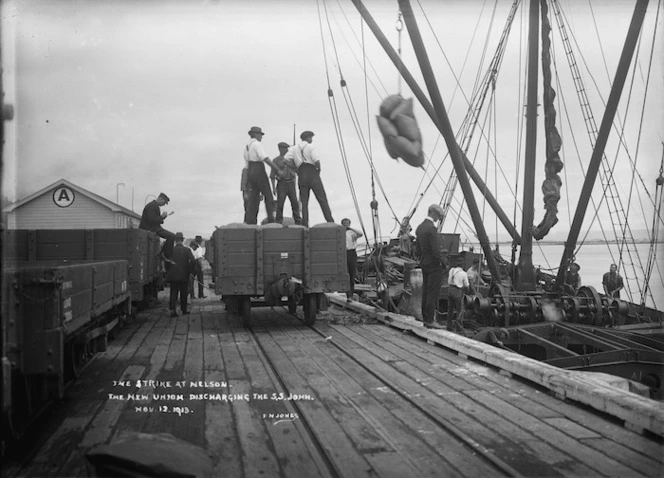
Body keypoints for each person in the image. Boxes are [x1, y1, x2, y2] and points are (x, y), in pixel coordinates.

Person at [286, 130, 334, 227]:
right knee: (322, 198)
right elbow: (316, 160)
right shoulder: (311, 147)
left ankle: (305, 223)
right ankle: (330, 220)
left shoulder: (294, 148)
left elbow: (286, 160)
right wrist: (318, 171)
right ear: (308, 138)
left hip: (301, 172)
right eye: (311, 137)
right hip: (312, 172)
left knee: (304, 201)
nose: (311, 139)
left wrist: (296, 169)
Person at [415, 204, 447, 327]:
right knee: (433, 292)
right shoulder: (431, 229)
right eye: (438, 216)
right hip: (434, 264)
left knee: (425, 291)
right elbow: (436, 250)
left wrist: (422, 258)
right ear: (432, 213)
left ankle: (425, 318)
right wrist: (443, 263)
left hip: (424, 262)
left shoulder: (420, 228)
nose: (438, 218)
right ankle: (430, 320)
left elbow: (417, 249)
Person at [244, 126, 278, 225]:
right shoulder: (256, 144)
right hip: (259, 170)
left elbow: (246, 166)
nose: (261, 137)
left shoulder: (247, 147)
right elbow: (265, 158)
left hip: (251, 171)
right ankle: (271, 220)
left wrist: (246, 183)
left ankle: (250, 222)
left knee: (253, 199)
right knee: (268, 196)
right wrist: (277, 169)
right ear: (255, 134)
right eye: (260, 135)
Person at [270, 142, 302, 225]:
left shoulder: (292, 159)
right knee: (280, 204)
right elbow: (272, 175)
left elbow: (298, 170)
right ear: (280, 149)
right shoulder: (276, 160)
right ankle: (278, 221)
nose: (286, 150)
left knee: (295, 203)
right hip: (282, 184)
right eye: (284, 148)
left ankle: (298, 221)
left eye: (287, 148)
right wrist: (273, 188)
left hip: (291, 183)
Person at [139, 192, 175, 260]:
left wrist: (162, 217)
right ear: (161, 199)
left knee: (171, 236)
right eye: (164, 202)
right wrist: (161, 217)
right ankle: (165, 254)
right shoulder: (152, 206)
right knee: (172, 236)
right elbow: (151, 220)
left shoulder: (153, 206)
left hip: (153, 228)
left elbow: (155, 220)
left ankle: (163, 253)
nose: (164, 205)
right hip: (151, 229)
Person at [166, 232, 195, 317]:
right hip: (184, 275)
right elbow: (192, 261)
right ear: (182, 240)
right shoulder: (187, 250)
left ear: (175, 241)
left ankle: (173, 310)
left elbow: (166, 262)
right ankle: (184, 310)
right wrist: (189, 270)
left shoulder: (170, 250)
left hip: (173, 275)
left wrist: (169, 270)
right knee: (183, 292)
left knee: (173, 292)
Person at [342, 218, 363, 298]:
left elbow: (360, 234)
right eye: (344, 223)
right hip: (343, 253)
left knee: (352, 273)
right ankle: (346, 292)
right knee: (345, 273)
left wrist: (350, 228)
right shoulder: (340, 233)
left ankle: (350, 294)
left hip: (351, 252)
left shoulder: (352, 233)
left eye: (347, 223)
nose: (346, 224)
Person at [448, 257, 470, 331]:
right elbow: (467, 286)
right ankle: (459, 327)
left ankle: (449, 326)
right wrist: (468, 292)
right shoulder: (464, 273)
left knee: (450, 309)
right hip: (458, 291)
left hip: (450, 290)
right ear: (463, 265)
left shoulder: (452, 270)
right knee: (459, 310)